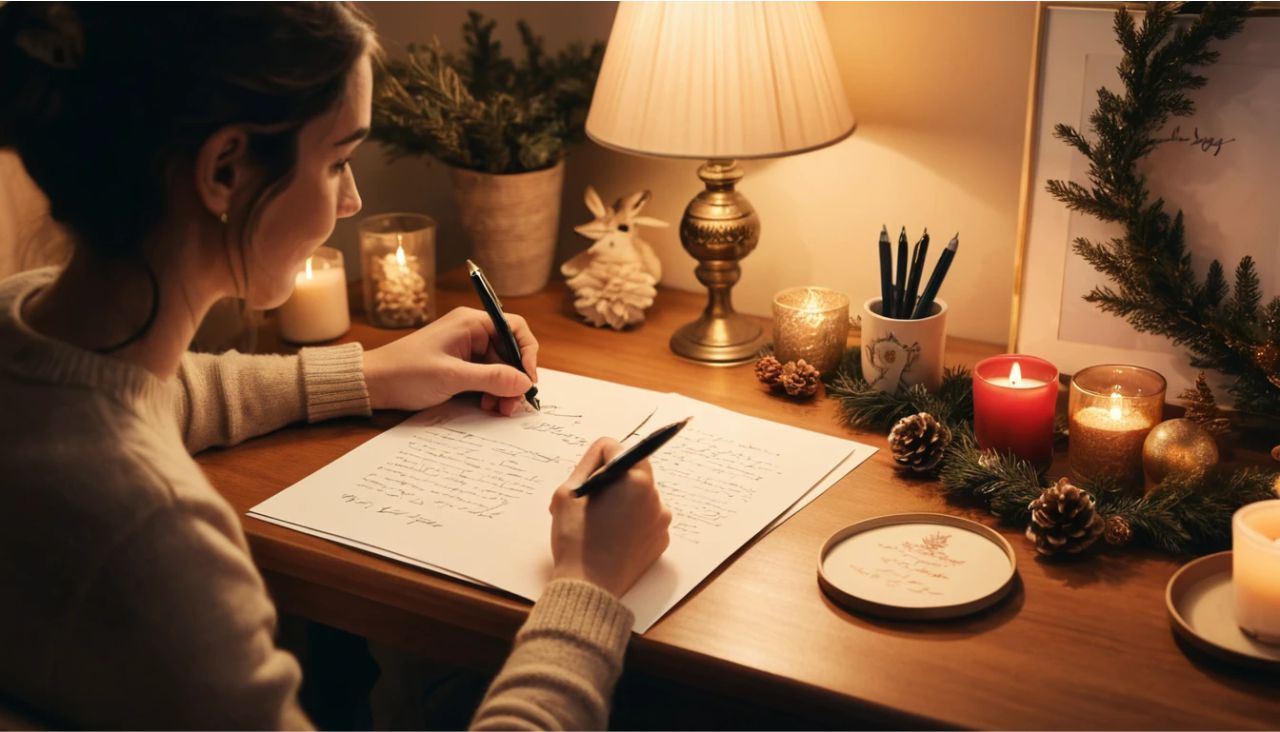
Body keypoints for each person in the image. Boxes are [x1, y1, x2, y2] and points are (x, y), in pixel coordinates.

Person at [0, 3, 671, 729]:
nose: (351, 202)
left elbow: (149, 396)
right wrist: (586, 589)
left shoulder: (26, 322)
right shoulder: (154, 542)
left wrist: (369, 375)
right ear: (225, 170)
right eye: (338, 161)